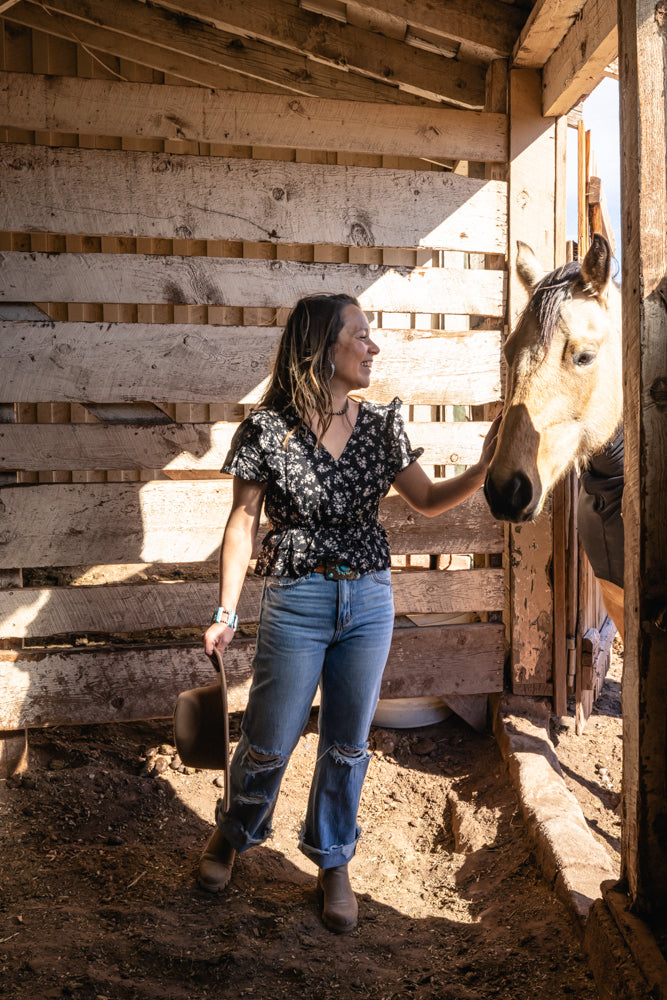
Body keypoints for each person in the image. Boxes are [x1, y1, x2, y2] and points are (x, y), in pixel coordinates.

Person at [201, 293, 499, 933]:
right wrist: (226, 610)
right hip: (298, 599)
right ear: (323, 348)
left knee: (347, 744)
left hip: (368, 599)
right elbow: (241, 524)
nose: (373, 346)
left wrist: (479, 471)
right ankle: (232, 832)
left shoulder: (381, 425)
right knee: (270, 739)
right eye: (360, 335)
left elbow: (424, 500)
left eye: (371, 336)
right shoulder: (266, 432)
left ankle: (333, 860)